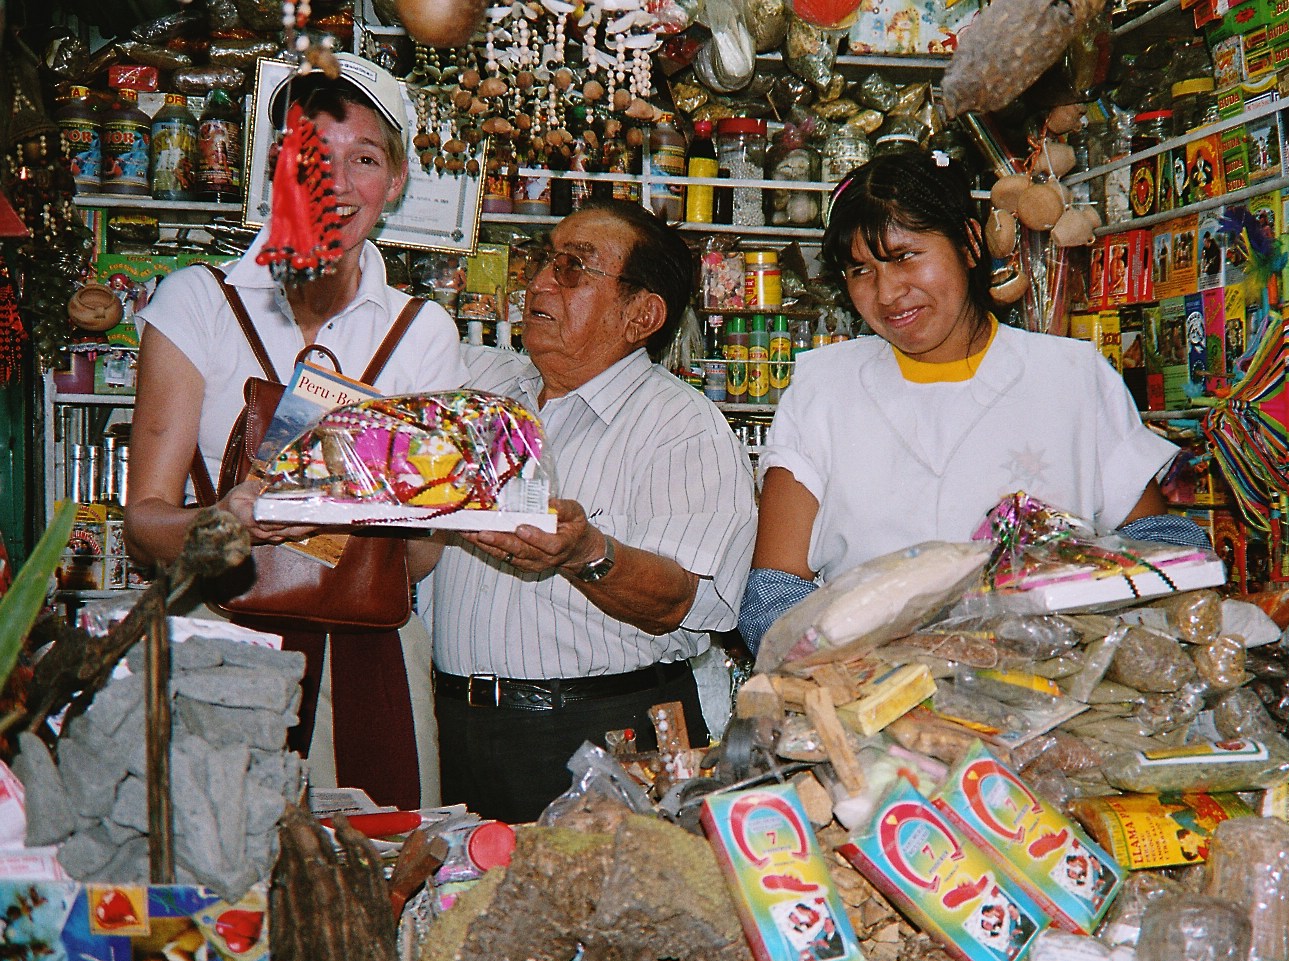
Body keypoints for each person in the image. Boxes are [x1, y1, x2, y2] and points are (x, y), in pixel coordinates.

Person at [125, 55, 467, 810]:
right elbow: (145, 527)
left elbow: (418, 557)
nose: (335, 183)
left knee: (376, 880)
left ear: (398, 181)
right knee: (219, 884)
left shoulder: (423, 331)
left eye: (365, 159)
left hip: (370, 651)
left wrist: (401, 508)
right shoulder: (197, 304)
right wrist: (224, 523)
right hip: (220, 644)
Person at [742, 151, 1206, 653]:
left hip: (1048, 695)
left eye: (905, 256)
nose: (888, 292)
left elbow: (1157, 541)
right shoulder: (824, 387)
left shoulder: (1069, 375)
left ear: (967, 243)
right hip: (874, 701)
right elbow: (775, 590)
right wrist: (836, 667)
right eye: (861, 271)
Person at [428, 199, 756, 825]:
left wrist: (585, 553)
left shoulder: (682, 427)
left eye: (574, 268)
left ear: (642, 315)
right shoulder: (483, 390)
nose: (540, 282)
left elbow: (687, 603)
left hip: (599, 734)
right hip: (456, 724)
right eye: (544, 261)